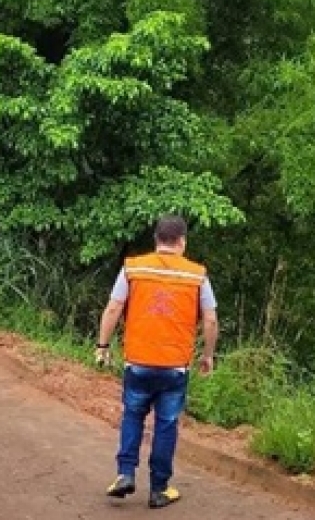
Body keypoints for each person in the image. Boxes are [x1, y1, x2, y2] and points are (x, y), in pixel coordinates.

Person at [94, 214, 219, 509]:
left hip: (138, 360)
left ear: (157, 240)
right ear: (182, 242)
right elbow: (211, 319)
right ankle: (159, 488)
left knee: (132, 415)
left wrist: (102, 345)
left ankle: (124, 474)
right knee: (166, 424)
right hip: (174, 366)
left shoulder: (133, 268)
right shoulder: (197, 274)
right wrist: (208, 355)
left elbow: (113, 309)